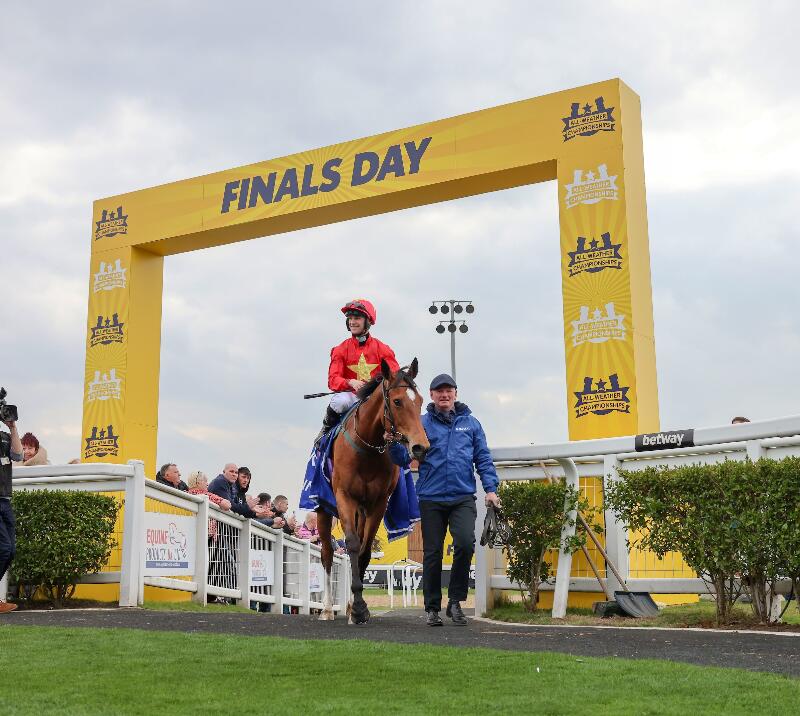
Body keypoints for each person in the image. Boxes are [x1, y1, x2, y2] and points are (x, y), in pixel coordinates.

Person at [416, 374, 500, 627]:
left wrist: (491, 489)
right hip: (430, 497)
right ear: (431, 395)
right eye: (439, 391)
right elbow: (402, 457)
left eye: (448, 390)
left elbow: (483, 459)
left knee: (464, 544)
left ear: (455, 393)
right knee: (432, 553)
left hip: (462, 496)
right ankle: (432, 607)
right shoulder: (420, 423)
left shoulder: (471, 424)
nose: (444, 395)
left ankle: (455, 602)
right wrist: (394, 444)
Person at [315, 299, 400, 442]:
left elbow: (395, 377)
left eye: (357, 318)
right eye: (350, 318)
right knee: (339, 401)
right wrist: (350, 382)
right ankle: (325, 432)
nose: (352, 322)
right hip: (351, 397)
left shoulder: (383, 349)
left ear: (368, 322)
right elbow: (333, 380)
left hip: (376, 399)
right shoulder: (340, 350)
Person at [1, 409, 23, 613]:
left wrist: (13, 428)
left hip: (5, 500)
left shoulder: (5, 438)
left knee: (11, 551)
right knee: (4, 548)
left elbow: (18, 455)